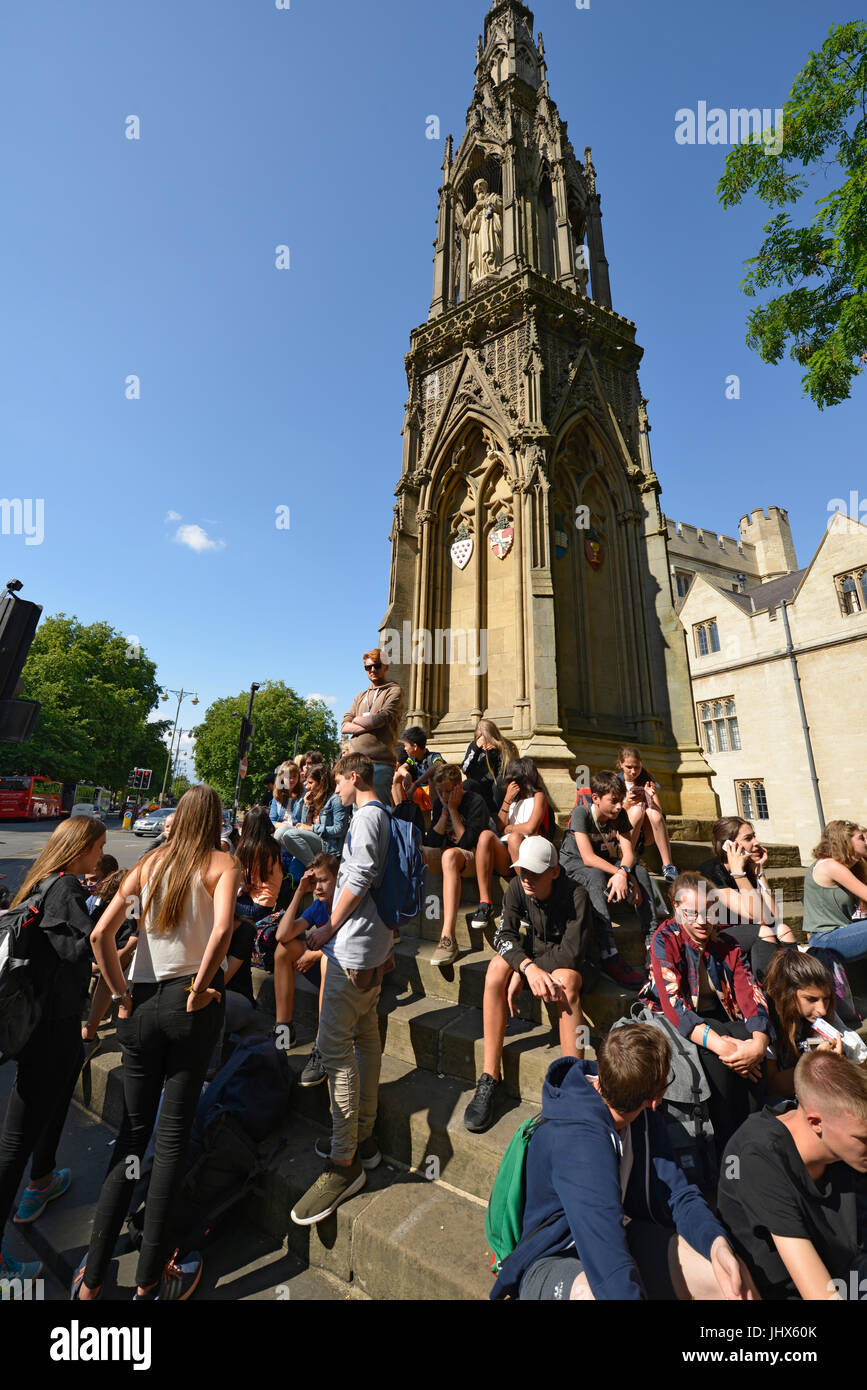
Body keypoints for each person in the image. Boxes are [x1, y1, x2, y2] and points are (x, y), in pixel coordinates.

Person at [73, 784, 239, 1302]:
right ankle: (149, 1282)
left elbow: (101, 936)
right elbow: (224, 928)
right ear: (213, 819)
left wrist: (120, 994)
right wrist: (200, 986)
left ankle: (92, 1278)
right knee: (170, 1145)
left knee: (130, 1139)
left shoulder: (149, 864)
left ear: (178, 818)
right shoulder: (221, 863)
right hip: (188, 1007)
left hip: (140, 1006)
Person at [491, 1024, 759, 1301]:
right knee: (590, 1295)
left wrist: (716, 1243)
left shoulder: (643, 1115)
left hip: (623, 1234)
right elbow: (607, 1259)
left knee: (730, 1276)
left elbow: (678, 1193)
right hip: (553, 1258)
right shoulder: (577, 1143)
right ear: (655, 1099)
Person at [0, 816, 107, 1282]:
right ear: (80, 846)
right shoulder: (66, 888)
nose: (101, 855)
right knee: (13, 1142)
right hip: (49, 1032)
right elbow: (92, 947)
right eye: (98, 846)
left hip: (49, 1029)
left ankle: (41, 1182)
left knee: (56, 1101)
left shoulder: (41, 883)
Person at [289, 754, 393, 1226]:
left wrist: (328, 927)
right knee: (366, 1037)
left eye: (338, 782)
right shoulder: (376, 815)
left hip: (353, 952)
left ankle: (343, 1161)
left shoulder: (368, 816)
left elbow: (363, 875)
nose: (336, 791)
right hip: (368, 949)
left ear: (354, 777)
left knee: (334, 1051)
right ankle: (363, 1139)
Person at [464, 838, 595, 1133]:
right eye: (522, 869)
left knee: (566, 980)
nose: (526, 877)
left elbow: (572, 953)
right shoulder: (517, 887)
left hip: (569, 967)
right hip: (532, 961)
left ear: (555, 872)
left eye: (535, 872)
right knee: (497, 968)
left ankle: (571, 1086)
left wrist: (525, 973)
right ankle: (489, 1077)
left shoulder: (577, 896)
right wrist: (525, 968)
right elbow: (503, 937)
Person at [718, 1050, 867, 1301]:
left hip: (851, 1273)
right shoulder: (756, 1157)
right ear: (815, 1122)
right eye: (863, 1139)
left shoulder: (847, 1142)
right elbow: (820, 1294)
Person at [641, 871, 770, 1154]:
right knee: (719, 1049)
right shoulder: (665, 939)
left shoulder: (727, 944)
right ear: (676, 909)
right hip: (674, 1021)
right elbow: (675, 1006)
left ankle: (753, 1140)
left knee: (745, 1038)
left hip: (719, 1018)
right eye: (691, 913)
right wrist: (725, 1047)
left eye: (709, 913)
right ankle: (727, 1148)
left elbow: (750, 993)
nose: (702, 922)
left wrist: (758, 1043)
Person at [558, 771, 651, 990]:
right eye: (613, 801)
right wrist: (620, 873)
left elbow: (629, 854)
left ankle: (651, 941)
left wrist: (624, 873)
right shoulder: (581, 813)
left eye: (621, 800)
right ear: (596, 798)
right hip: (574, 865)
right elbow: (588, 858)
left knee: (643, 873)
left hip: (604, 866)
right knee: (595, 874)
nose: (619, 806)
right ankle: (609, 952)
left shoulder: (619, 817)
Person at [698, 818, 796, 979]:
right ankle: (767, 995)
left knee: (783, 930)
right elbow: (758, 917)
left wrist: (759, 872)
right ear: (728, 845)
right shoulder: (711, 873)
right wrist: (738, 874)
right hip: (715, 937)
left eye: (754, 836)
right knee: (764, 932)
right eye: (748, 838)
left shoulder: (747, 869)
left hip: (747, 931)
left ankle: (795, 987)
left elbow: (774, 917)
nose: (757, 842)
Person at [272, 853, 339, 1083]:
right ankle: (284, 1030)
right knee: (283, 950)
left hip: (344, 973)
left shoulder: (346, 903)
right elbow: (282, 935)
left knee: (326, 959)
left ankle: (322, 1047)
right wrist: (300, 891)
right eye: (315, 882)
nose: (318, 887)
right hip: (323, 970)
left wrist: (316, 953)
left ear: (338, 879)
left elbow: (352, 943)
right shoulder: (318, 905)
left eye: (324, 880)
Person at [422, 762, 493, 967]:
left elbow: (467, 842)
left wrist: (453, 809)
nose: (444, 796)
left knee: (450, 856)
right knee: (419, 852)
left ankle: (448, 937)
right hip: (449, 857)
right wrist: (444, 812)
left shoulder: (475, 802)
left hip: (472, 859)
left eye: (448, 791)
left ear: (459, 787)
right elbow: (433, 842)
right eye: (440, 792)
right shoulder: (439, 804)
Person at [470, 758, 553, 931]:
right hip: (506, 854)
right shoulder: (513, 800)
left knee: (515, 837)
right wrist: (507, 800)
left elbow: (530, 827)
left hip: (529, 854)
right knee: (485, 835)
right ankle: (485, 903)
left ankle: (527, 900)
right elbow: (500, 826)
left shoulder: (539, 796)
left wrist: (510, 828)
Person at [763, 950, 842, 1099]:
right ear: (786, 994)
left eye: (826, 999)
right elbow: (774, 1087)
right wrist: (816, 1061)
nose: (822, 1010)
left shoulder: (821, 1015)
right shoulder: (766, 1020)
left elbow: (860, 1060)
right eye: (811, 999)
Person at [341, 648, 405, 805]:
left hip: (380, 763)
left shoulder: (394, 690)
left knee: (376, 809)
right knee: (357, 813)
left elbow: (384, 717)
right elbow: (344, 725)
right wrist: (368, 721)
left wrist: (358, 721)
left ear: (386, 667)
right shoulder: (360, 696)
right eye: (368, 667)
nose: (372, 670)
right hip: (356, 763)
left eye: (376, 666)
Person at [802, 820, 867, 962]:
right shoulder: (829, 865)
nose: (866, 842)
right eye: (861, 838)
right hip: (825, 940)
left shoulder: (849, 867)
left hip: (840, 934)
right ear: (846, 842)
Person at [616, 745, 678, 882]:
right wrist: (628, 803)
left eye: (637, 767)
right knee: (637, 809)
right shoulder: (615, 782)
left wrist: (651, 797)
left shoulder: (647, 780)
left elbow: (659, 813)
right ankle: (627, 861)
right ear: (621, 764)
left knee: (653, 812)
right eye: (629, 767)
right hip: (624, 832)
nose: (633, 771)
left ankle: (668, 866)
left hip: (647, 834)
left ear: (641, 764)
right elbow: (613, 814)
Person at [460, 718, 519, 815]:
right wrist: (476, 748)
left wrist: (498, 749)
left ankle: (500, 817)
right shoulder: (473, 747)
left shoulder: (506, 746)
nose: (484, 745)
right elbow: (465, 769)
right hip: (480, 790)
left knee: (499, 783)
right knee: (467, 784)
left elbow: (511, 771)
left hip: (498, 792)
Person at [391, 726, 444, 813]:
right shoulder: (412, 759)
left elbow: (438, 765)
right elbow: (401, 768)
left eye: (406, 746)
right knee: (397, 775)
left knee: (432, 777)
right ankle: (400, 812)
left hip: (431, 797)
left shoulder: (433, 756)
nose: (404, 749)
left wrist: (416, 783)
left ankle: (436, 815)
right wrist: (407, 775)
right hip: (417, 794)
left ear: (415, 746)